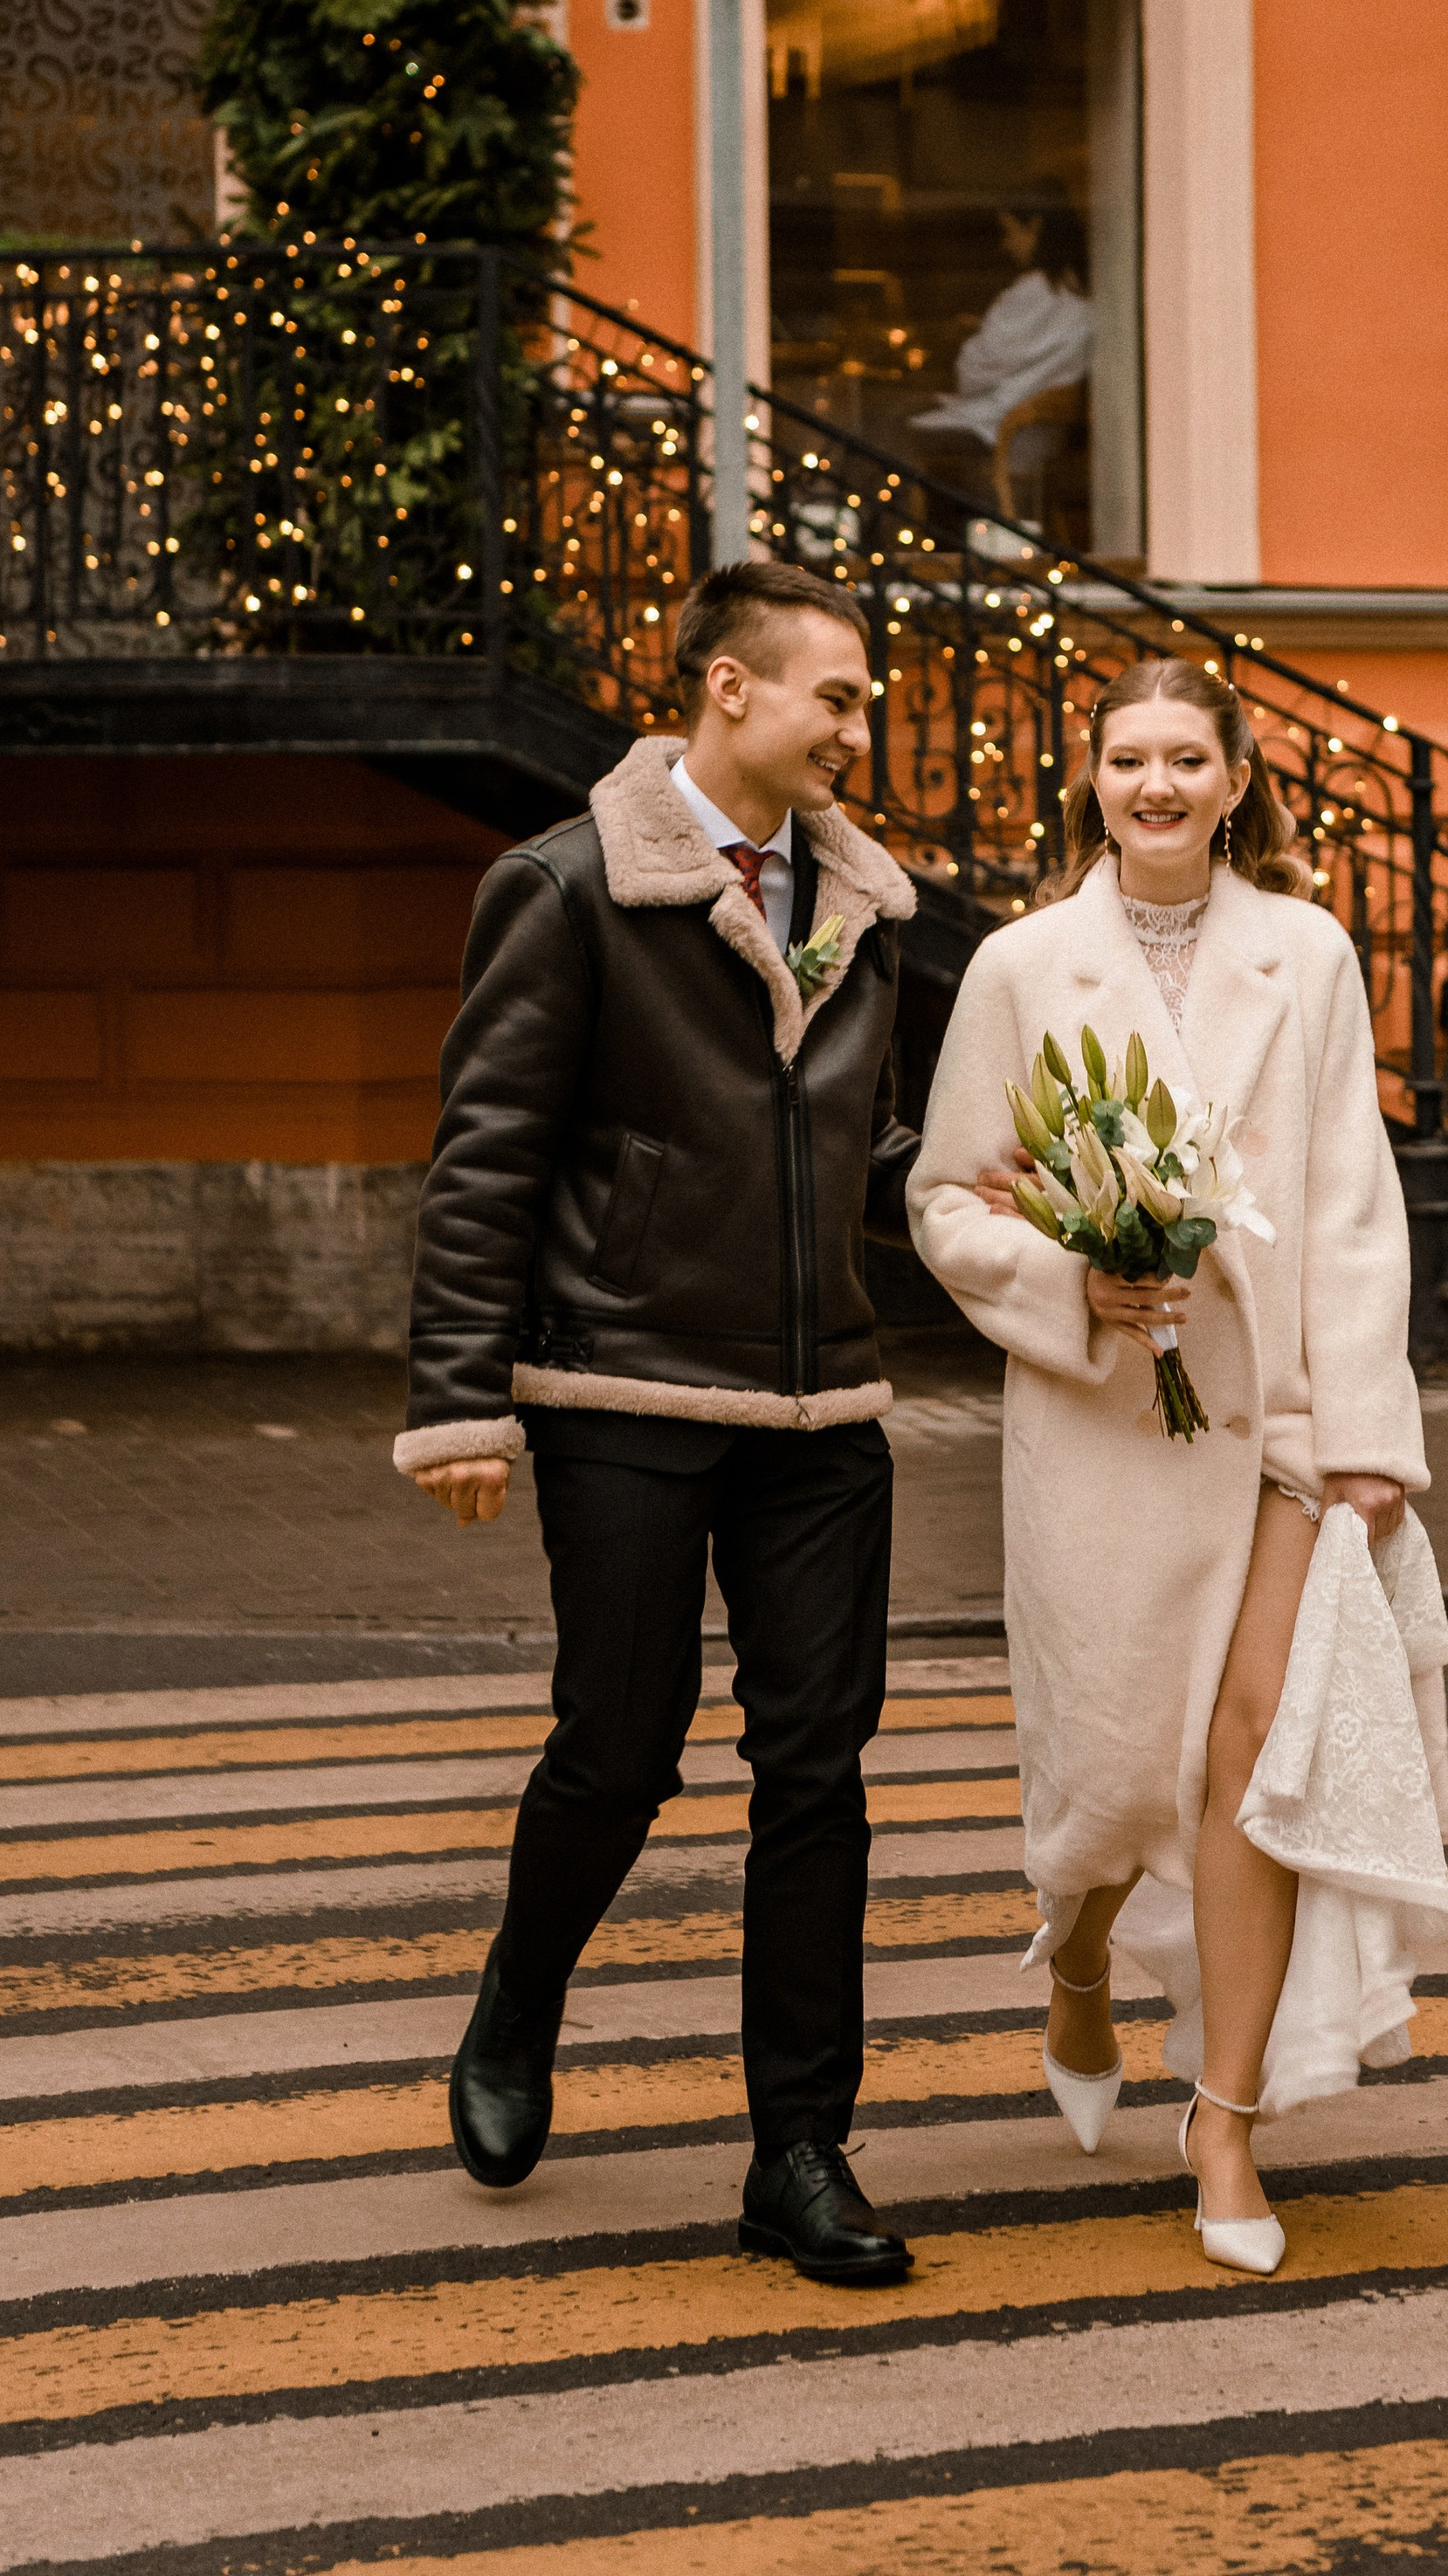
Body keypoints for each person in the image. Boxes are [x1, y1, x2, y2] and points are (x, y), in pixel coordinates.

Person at [392, 560, 921, 2289]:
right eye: (838, 697)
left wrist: (1037, 1206)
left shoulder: (866, 905)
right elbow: (488, 1154)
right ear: (728, 689)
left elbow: (870, 1148)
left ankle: (798, 2152)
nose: (858, 730)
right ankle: (520, 1991)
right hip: (621, 1381)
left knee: (817, 1771)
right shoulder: (565, 886)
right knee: (620, 1744)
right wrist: (458, 1399)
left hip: (821, 1403)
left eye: (861, 702)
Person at [907, 658, 1448, 2279]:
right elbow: (947, 1197)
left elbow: (1352, 1200)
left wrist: (1367, 1441)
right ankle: (1078, 1961)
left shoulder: (1310, 951)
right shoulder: (1020, 964)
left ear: (1235, 783)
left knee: (1250, 1756)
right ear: (1092, 780)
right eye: (1129, 758)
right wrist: (1070, 1280)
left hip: (1275, 1423)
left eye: (1186, 760)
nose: (1156, 785)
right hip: (1098, 1438)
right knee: (1112, 1781)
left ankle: (1223, 2119)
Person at [910, 185, 1094, 472]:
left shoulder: (1032, 292)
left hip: (997, 432)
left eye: (1009, 232)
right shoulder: (1084, 295)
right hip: (1039, 440)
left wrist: (972, 338)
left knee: (886, 425)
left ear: (1034, 226)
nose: (1006, 245)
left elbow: (971, 373)